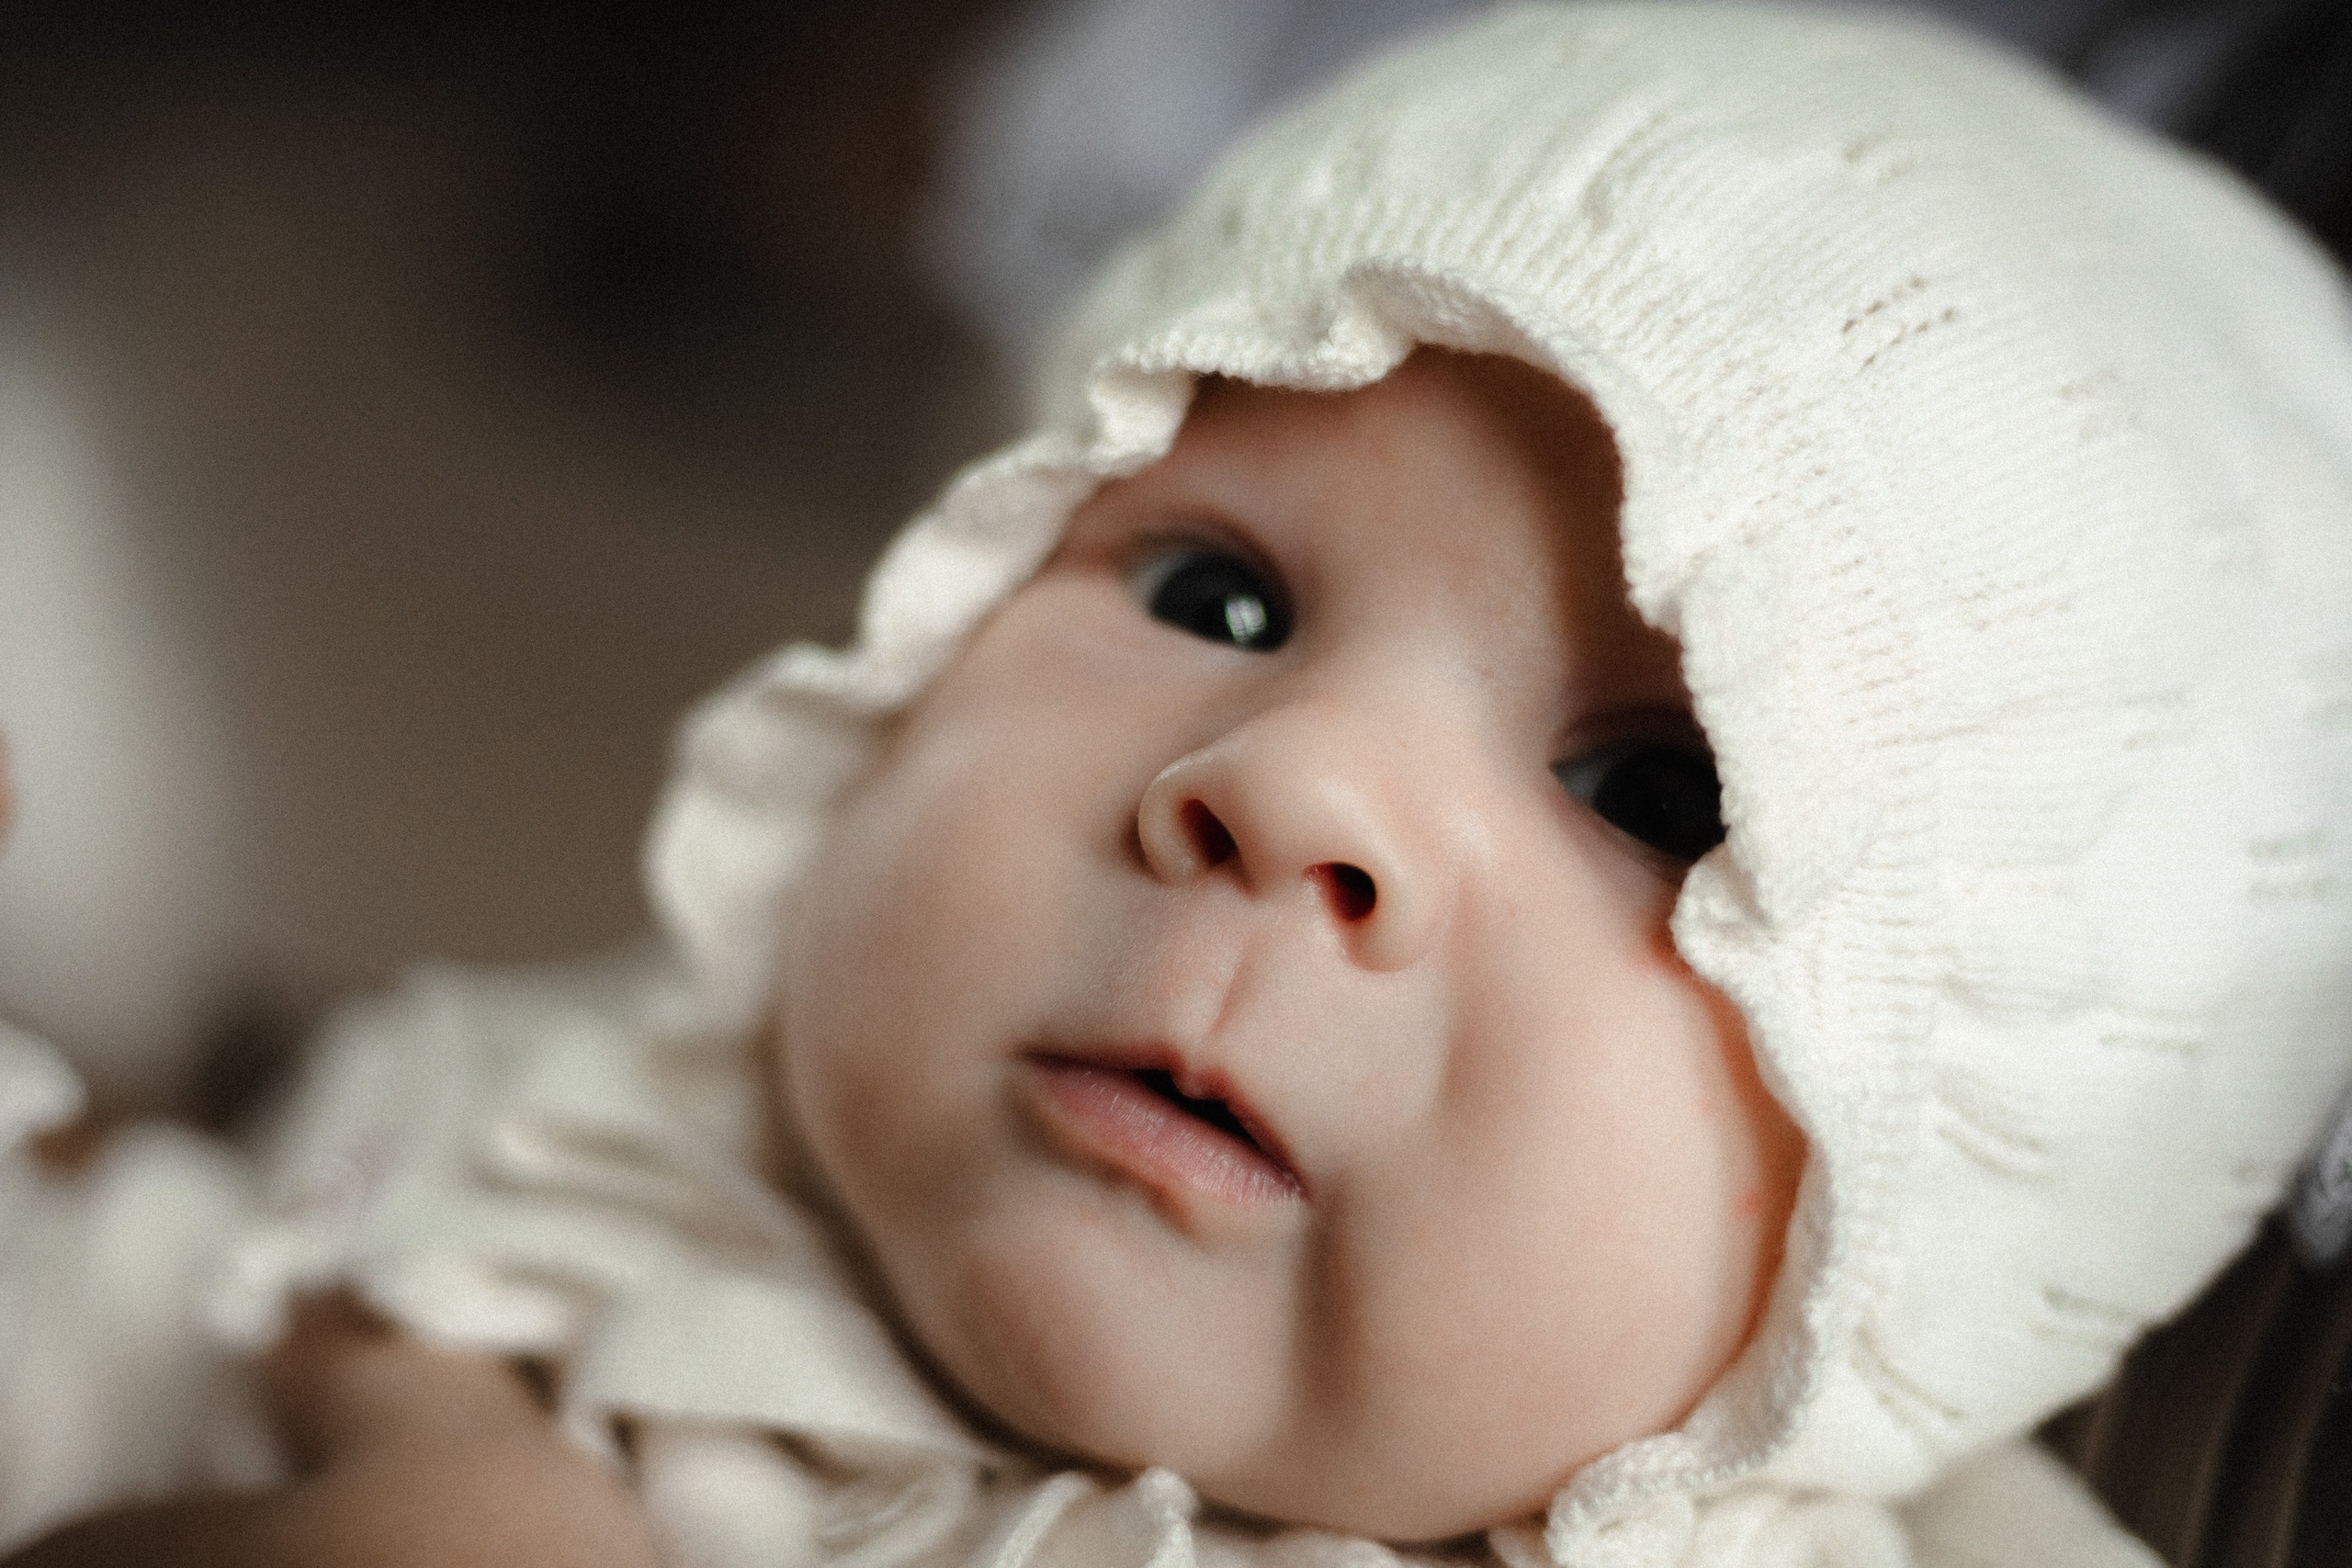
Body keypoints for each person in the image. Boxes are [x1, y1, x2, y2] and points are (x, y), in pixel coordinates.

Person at [6, 5, 2351, 1565]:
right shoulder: (621, 1138)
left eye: (1652, 792)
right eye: (1215, 595)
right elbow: (195, 1278)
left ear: (1924, 1225)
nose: (1283, 780)